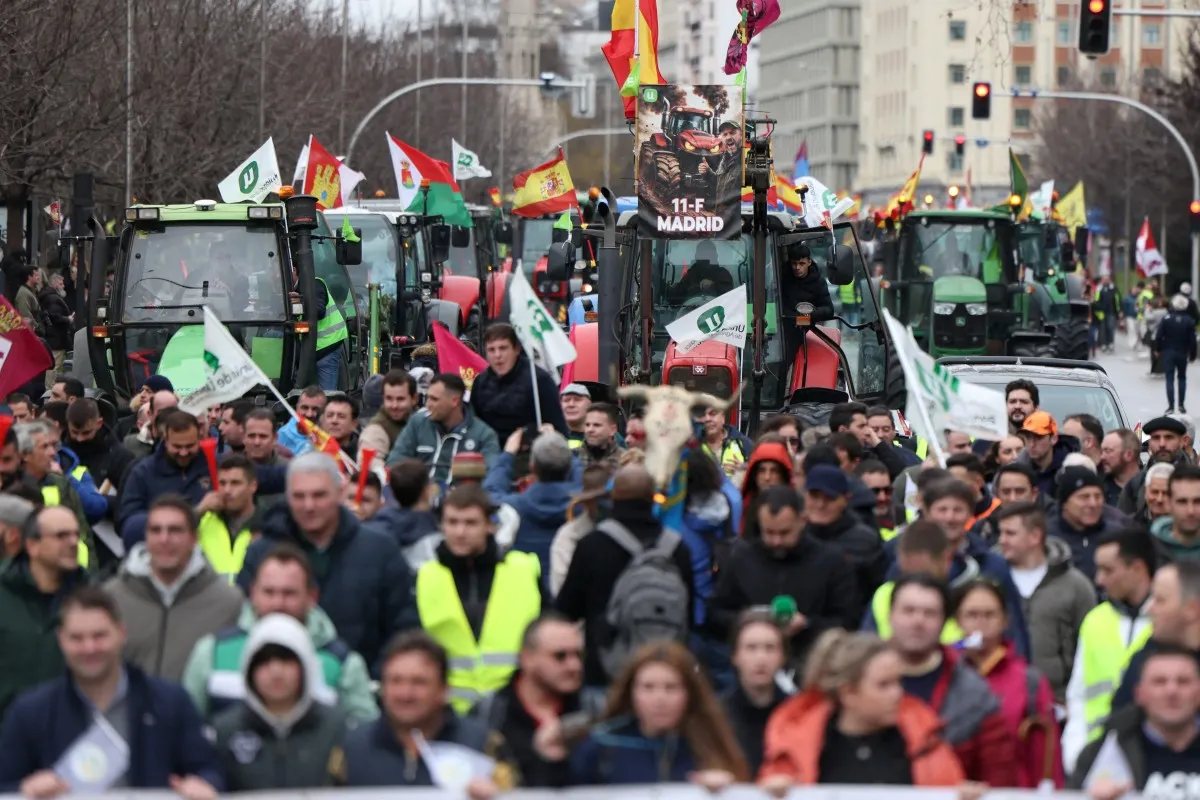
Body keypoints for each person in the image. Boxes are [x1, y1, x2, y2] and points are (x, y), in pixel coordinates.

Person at [0, 588, 223, 798]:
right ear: (61, 640)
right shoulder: (29, 712)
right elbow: (4, 784)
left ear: (121, 633)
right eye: (77, 638)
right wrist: (23, 790)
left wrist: (204, 784)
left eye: (100, 636)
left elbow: (209, 770)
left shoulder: (171, 702)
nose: (89, 648)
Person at [237, 452, 419, 675]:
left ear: (340, 492)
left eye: (319, 495)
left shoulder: (380, 550)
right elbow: (242, 626)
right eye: (299, 496)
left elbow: (403, 630)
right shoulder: (261, 553)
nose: (309, 505)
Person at [183, 542, 378, 723]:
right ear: (253, 593)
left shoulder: (344, 665)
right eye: (269, 592)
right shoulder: (212, 652)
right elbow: (186, 729)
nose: (278, 603)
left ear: (311, 597)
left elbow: (365, 741)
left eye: (289, 593)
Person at [758, 628, 966, 789]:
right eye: (884, 685)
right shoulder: (795, 751)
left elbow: (949, 788)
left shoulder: (926, 743)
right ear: (848, 693)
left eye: (898, 682)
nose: (897, 694)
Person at [556, 465, 695, 688]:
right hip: (664, 677)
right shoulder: (677, 549)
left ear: (613, 498)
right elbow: (688, 614)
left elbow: (565, 610)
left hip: (605, 674)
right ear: (653, 498)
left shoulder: (592, 546)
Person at [415, 483, 546, 714]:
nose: (460, 532)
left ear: (490, 526)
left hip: (515, 709)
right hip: (446, 712)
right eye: (452, 522)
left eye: (470, 523)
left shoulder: (523, 569)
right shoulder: (426, 576)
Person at [886, 573, 1017, 785]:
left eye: (929, 613)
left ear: (944, 622)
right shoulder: (858, 683)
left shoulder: (975, 695)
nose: (918, 621)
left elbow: (998, 778)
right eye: (908, 611)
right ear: (890, 616)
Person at [568, 641, 749, 787]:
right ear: (632, 693)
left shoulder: (710, 747)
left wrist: (728, 791)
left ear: (689, 694)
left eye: (671, 688)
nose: (659, 699)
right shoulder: (601, 747)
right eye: (648, 687)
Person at [711, 485, 858, 662]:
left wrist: (807, 625)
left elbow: (848, 620)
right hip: (755, 661)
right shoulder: (743, 559)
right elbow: (716, 614)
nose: (776, 541)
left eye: (785, 533)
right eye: (769, 532)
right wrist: (754, 622)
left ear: (802, 521)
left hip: (812, 661)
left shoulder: (832, 561)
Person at [105, 495, 242, 680]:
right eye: (155, 530)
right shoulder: (111, 598)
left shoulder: (228, 603)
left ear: (194, 538)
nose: (164, 539)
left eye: (175, 530)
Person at [211, 613, 349, 791]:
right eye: (264, 662)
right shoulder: (225, 730)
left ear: (305, 666)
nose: (276, 672)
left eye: (286, 660)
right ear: (248, 669)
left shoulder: (335, 727)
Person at [342, 631, 495, 790]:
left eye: (419, 682)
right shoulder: (352, 749)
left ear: (444, 690)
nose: (406, 693)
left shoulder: (483, 746)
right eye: (395, 681)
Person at [1061, 529, 1157, 774]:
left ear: (1136, 569)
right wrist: (1075, 751)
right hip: (1099, 758)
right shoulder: (1095, 620)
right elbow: (1078, 695)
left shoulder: (1168, 619)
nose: (1099, 580)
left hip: (1155, 758)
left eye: (1108, 570)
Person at [952, 579, 1064, 788]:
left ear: (1005, 620)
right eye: (972, 615)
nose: (981, 623)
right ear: (958, 621)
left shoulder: (1029, 681)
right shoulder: (946, 675)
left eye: (989, 615)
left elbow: (1046, 759)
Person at [468, 613, 600, 788]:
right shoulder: (489, 713)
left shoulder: (596, 709)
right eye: (560, 656)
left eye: (578, 655)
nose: (574, 666)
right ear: (527, 659)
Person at [994, 501, 1095, 703]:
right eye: (1001, 533)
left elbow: (1088, 648)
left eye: (1010, 533)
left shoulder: (1075, 585)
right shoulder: (990, 580)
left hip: (1057, 700)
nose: (1002, 540)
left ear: (1035, 536)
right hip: (998, 699)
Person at [1070, 645, 1200, 795]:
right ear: (1140, 694)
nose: (1171, 691)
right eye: (1160, 682)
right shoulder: (1104, 750)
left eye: (1183, 682)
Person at [0, 505, 87, 720]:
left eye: (76, 534)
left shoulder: (92, 598)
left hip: (71, 739)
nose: (73, 542)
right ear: (32, 545)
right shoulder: (4, 593)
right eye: (61, 535)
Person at [484, 430, 579, 574]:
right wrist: (562, 450)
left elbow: (490, 494)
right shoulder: (582, 506)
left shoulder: (514, 507)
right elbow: (584, 483)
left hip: (529, 586)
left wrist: (508, 454)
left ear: (532, 467)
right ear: (570, 467)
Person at [1111, 560, 1200, 714]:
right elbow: (1120, 720)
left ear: (1192, 610)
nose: (1149, 609)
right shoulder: (1144, 659)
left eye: (1160, 600)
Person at [117, 409, 212, 547]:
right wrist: (193, 513)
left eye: (190, 446)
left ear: (199, 439)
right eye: (177, 446)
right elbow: (128, 525)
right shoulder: (143, 473)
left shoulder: (213, 467)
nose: (184, 452)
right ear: (165, 440)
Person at [387, 373, 500, 487]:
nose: (428, 405)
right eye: (428, 398)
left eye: (434, 399)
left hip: (461, 500)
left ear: (454, 401)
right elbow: (394, 462)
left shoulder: (483, 435)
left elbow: (492, 477)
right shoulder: (418, 423)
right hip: (417, 498)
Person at [802, 464, 887, 612]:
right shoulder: (793, 535)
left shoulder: (865, 542)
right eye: (814, 496)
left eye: (830, 498)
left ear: (846, 499)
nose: (821, 504)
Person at [471, 323, 568, 448]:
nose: (497, 355)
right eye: (491, 350)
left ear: (516, 349)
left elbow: (558, 428)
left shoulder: (539, 380)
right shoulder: (480, 382)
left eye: (503, 348)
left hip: (528, 454)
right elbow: (474, 424)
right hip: (490, 451)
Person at [721, 610, 793, 775]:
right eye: (751, 648)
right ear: (735, 655)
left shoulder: (798, 715)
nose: (761, 658)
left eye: (770, 648)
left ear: (783, 656)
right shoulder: (716, 715)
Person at [550, 465, 615, 597]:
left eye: (609, 498)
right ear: (586, 503)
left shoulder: (627, 529)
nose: (606, 505)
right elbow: (561, 590)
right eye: (599, 500)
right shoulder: (569, 537)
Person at [1121, 416, 1191, 518]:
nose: (1162, 444)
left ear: (1182, 441)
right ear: (1149, 442)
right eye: (1156, 438)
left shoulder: (1195, 480)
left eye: (1169, 437)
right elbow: (1122, 523)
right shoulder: (1136, 483)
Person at [358, 369, 417, 466]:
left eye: (400, 399)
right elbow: (369, 466)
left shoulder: (421, 421)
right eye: (389, 399)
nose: (394, 405)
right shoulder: (376, 430)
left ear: (414, 399)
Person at [1156, 294, 1198, 413]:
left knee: (1169, 378)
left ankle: (1170, 406)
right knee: (1182, 378)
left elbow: (1159, 336)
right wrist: (1193, 355)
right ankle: (1181, 405)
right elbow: (1192, 340)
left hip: (1168, 351)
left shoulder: (1166, 319)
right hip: (1182, 353)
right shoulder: (1189, 321)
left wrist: (1158, 349)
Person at [1151, 464, 1200, 561]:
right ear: (1168, 503)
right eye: (1182, 502)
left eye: (1198, 501)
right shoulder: (1149, 553)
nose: (1190, 511)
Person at [38, 273, 72, 390]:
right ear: (54, 283)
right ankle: (50, 388)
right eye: (60, 283)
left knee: (57, 365)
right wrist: (68, 319)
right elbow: (55, 316)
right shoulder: (53, 299)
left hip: (55, 336)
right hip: (56, 337)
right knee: (55, 365)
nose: (63, 286)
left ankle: (52, 387)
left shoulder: (49, 297)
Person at [277, 386, 326, 456]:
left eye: (315, 409)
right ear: (297, 408)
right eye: (305, 408)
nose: (309, 414)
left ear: (325, 411)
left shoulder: (331, 434)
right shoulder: (283, 434)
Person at [1100, 428, 1142, 507]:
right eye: (1101, 451)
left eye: (1108, 451)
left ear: (1129, 455)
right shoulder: (1098, 490)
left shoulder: (1151, 488)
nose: (1102, 457)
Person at [576, 403, 624, 470]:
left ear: (612, 430)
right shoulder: (572, 457)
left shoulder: (625, 461)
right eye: (587, 425)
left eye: (597, 425)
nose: (590, 430)